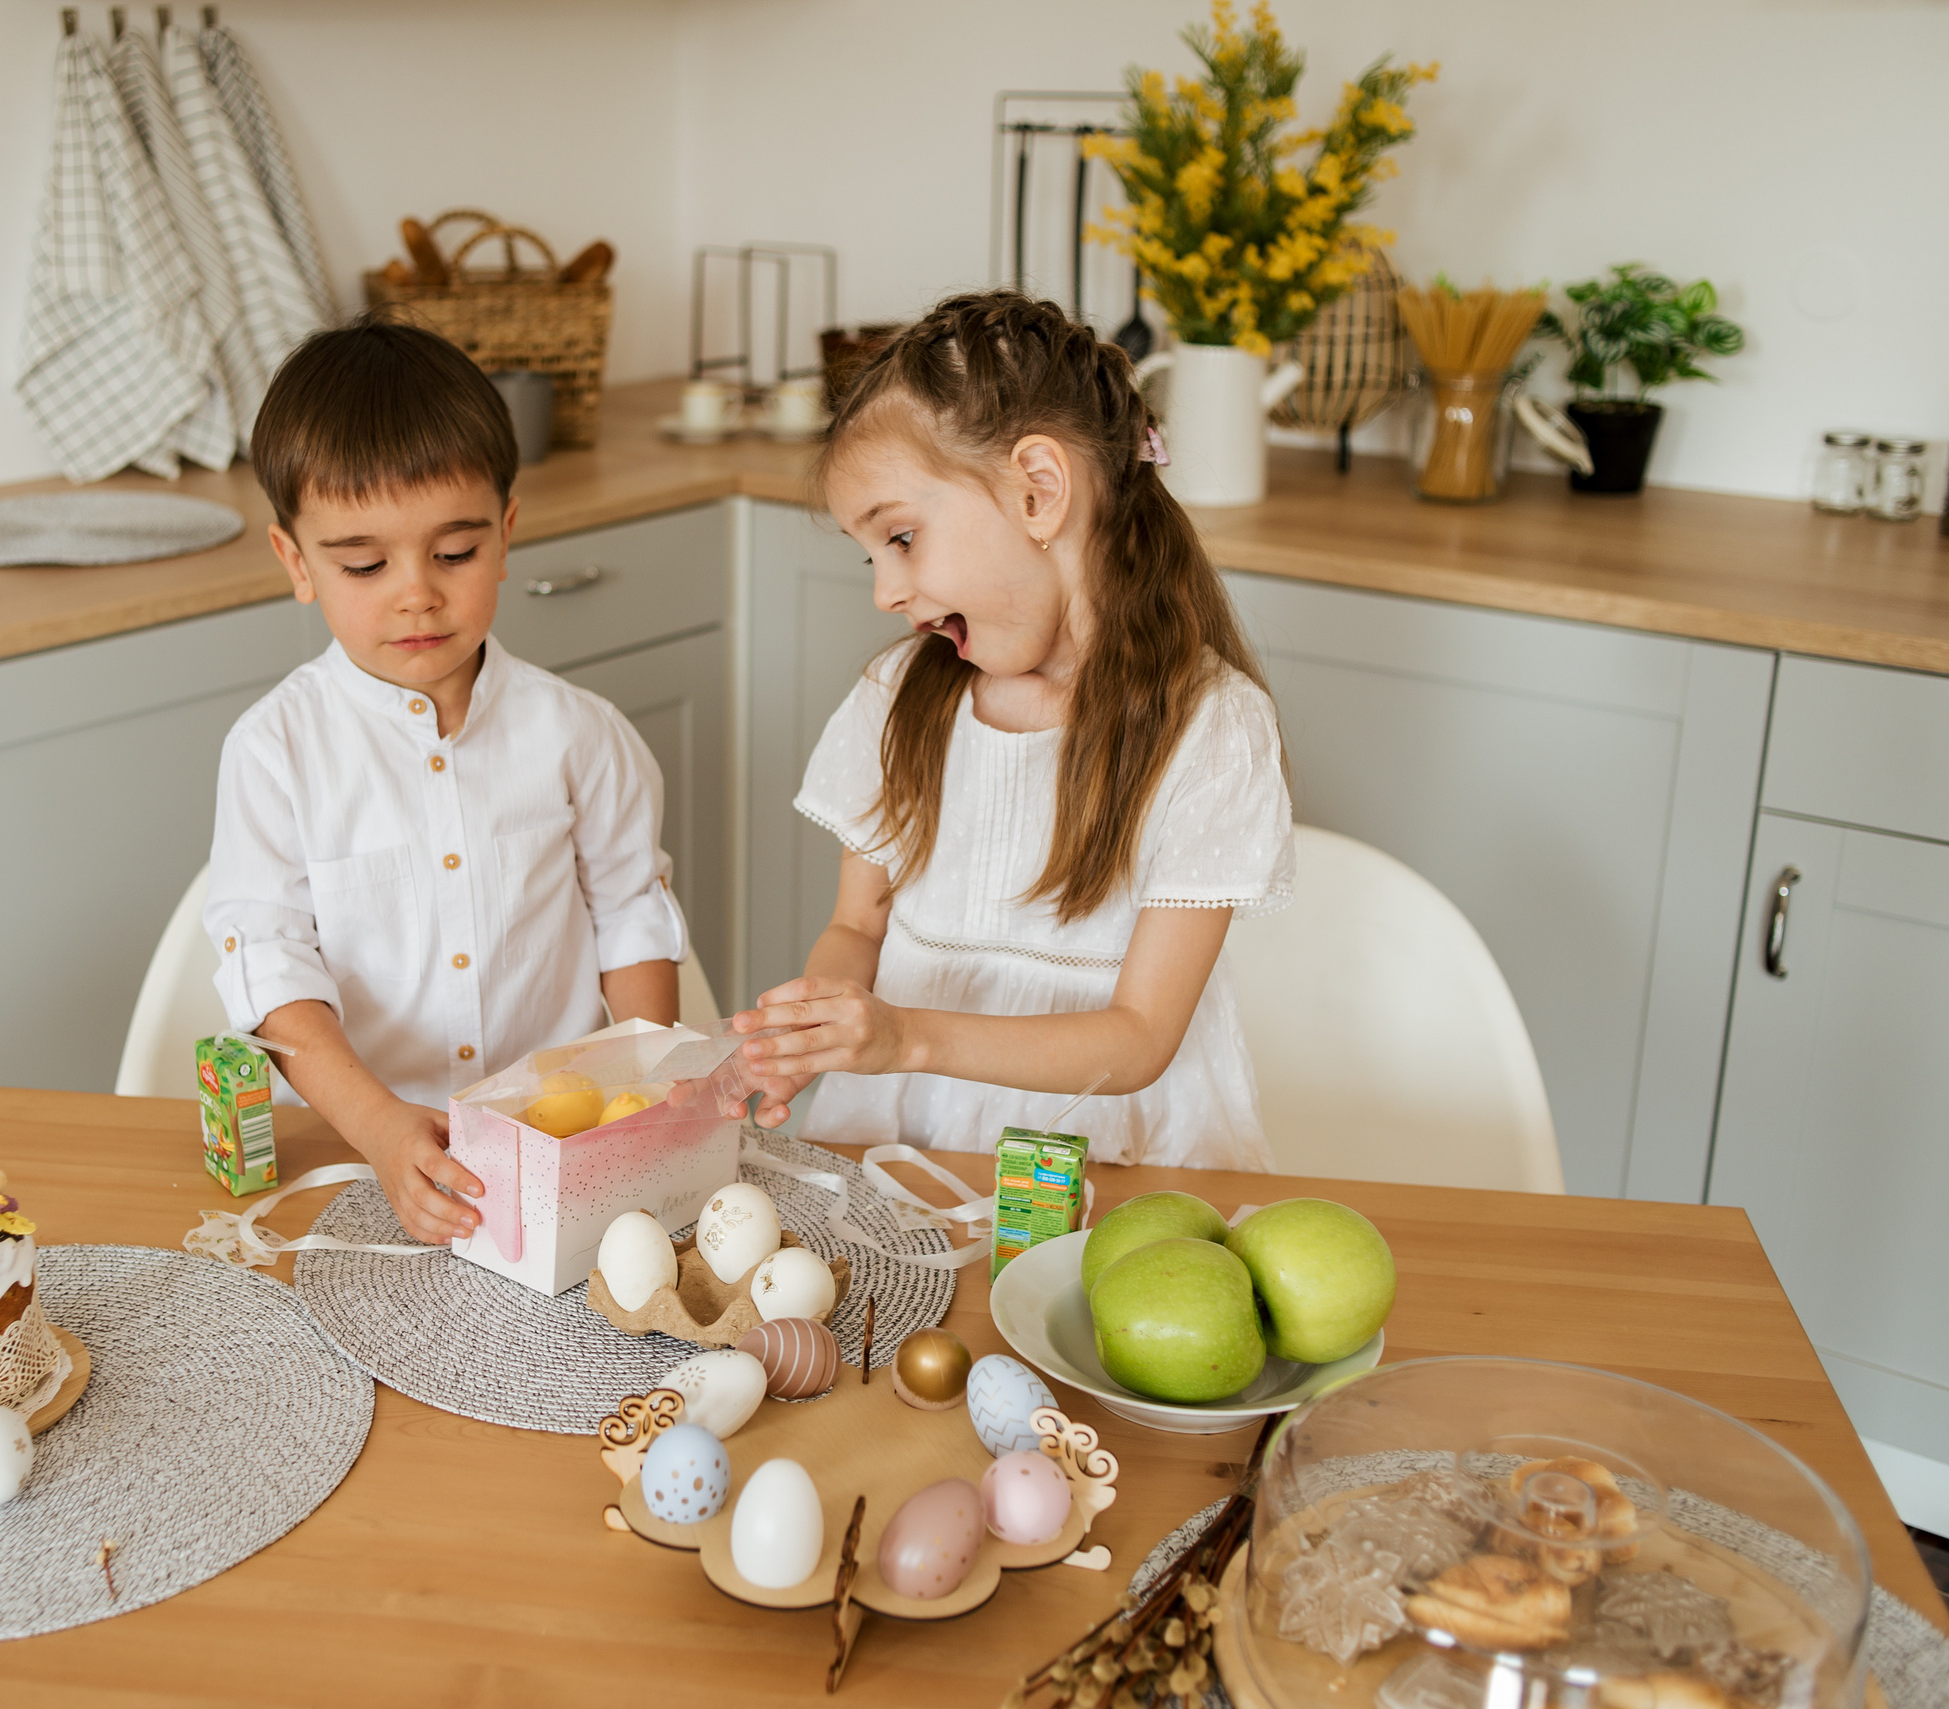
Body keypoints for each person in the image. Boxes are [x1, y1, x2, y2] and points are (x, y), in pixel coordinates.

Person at [734, 291, 1293, 1170]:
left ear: (1038, 489)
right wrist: (820, 1027)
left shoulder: (1210, 730)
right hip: (903, 1142)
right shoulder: (896, 698)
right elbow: (857, 927)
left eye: (904, 537)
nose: (884, 590)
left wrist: (905, 1037)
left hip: (1110, 1163)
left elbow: (1142, 1036)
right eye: (870, 553)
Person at [203, 314, 687, 1241]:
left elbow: (632, 915)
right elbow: (271, 967)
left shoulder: (583, 736)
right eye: (363, 563)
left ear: (505, 536)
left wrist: (651, 1094)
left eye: (455, 553)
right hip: (373, 1154)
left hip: (569, 1152)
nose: (417, 591)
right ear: (297, 563)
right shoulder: (274, 751)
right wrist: (382, 1128)